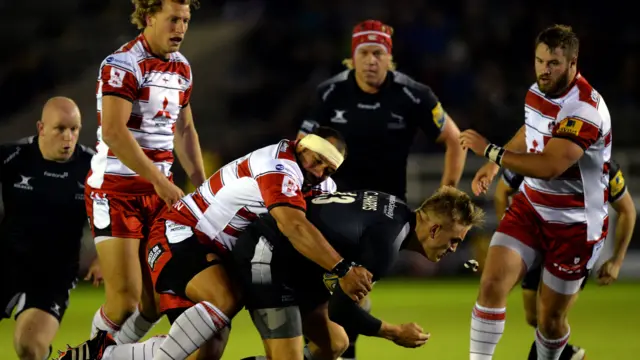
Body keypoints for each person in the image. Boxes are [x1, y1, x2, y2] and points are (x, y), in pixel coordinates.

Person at [56, 128, 374, 360]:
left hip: (211, 250)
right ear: (300, 142)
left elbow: (321, 229)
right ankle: (103, 356)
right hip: (181, 233)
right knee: (224, 297)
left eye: (327, 169)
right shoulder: (279, 166)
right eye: (316, 161)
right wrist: (342, 268)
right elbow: (294, 226)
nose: (318, 173)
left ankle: (101, 352)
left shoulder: (316, 181)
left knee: (205, 352)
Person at [296, 19, 467, 359]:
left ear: (390, 58)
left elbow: (455, 140)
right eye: (364, 52)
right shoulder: (330, 92)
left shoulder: (413, 95)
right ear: (352, 58)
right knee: (342, 303)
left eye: (378, 53)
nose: (371, 60)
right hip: (332, 216)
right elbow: (301, 145)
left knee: (347, 304)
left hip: (383, 218)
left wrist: (446, 196)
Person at [460, 25, 613, 360]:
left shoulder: (584, 110)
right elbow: (531, 130)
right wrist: (495, 165)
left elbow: (550, 166)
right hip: (531, 208)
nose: (544, 69)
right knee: (490, 285)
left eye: (553, 63)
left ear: (573, 63)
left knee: (550, 320)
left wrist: (489, 152)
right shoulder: (537, 92)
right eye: (539, 60)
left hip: (575, 226)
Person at [235, 187, 484, 360]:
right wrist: (394, 332)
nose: (453, 249)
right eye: (454, 240)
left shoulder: (394, 207)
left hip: (293, 263)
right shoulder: (386, 245)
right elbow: (340, 310)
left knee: (335, 344)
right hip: (266, 255)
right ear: (434, 230)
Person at [85, 0, 206, 345]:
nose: (180, 28)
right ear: (149, 18)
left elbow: (184, 131)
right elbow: (113, 131)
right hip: (115, 191)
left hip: (157, 195)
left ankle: (110, 354)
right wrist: (160, 180)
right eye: (173, 20)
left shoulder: (182, 68)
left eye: (185, 20)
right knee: (124, 302)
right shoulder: (122, 64)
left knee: (154, 303)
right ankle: (85, 355)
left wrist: (201, 185)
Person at [494, 165, 635, 360]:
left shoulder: (602, 166)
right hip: (537, 242)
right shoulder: (536, 155)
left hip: (574, 248)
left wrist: (616, 261)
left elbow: (627, 211)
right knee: (534, 317)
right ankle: (570, 355)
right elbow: (502, 191)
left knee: (550, 318)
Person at [0, 97, 100, 360]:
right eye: (60, 129)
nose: (69, 137)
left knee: (29, 346)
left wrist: (104, 256)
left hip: (53, 277)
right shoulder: (13, 157)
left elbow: (121, 212)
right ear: (41, 128)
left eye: (74, 129)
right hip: (6, 264)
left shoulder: (94, 167)